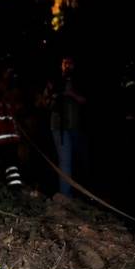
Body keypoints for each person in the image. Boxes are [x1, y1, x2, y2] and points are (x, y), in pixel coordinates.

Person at [43, 56, 87, 197]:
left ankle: (82, 194)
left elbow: (84, 100)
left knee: (80, 160)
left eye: (70, 63)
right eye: (64, 63)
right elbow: (44, 103)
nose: (67, 66)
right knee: (65, 162)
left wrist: (71, 93)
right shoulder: (54, 81)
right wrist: (53, 96)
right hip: (59, 126)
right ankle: (65, 197)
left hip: (77, 126)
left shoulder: (79, 81)